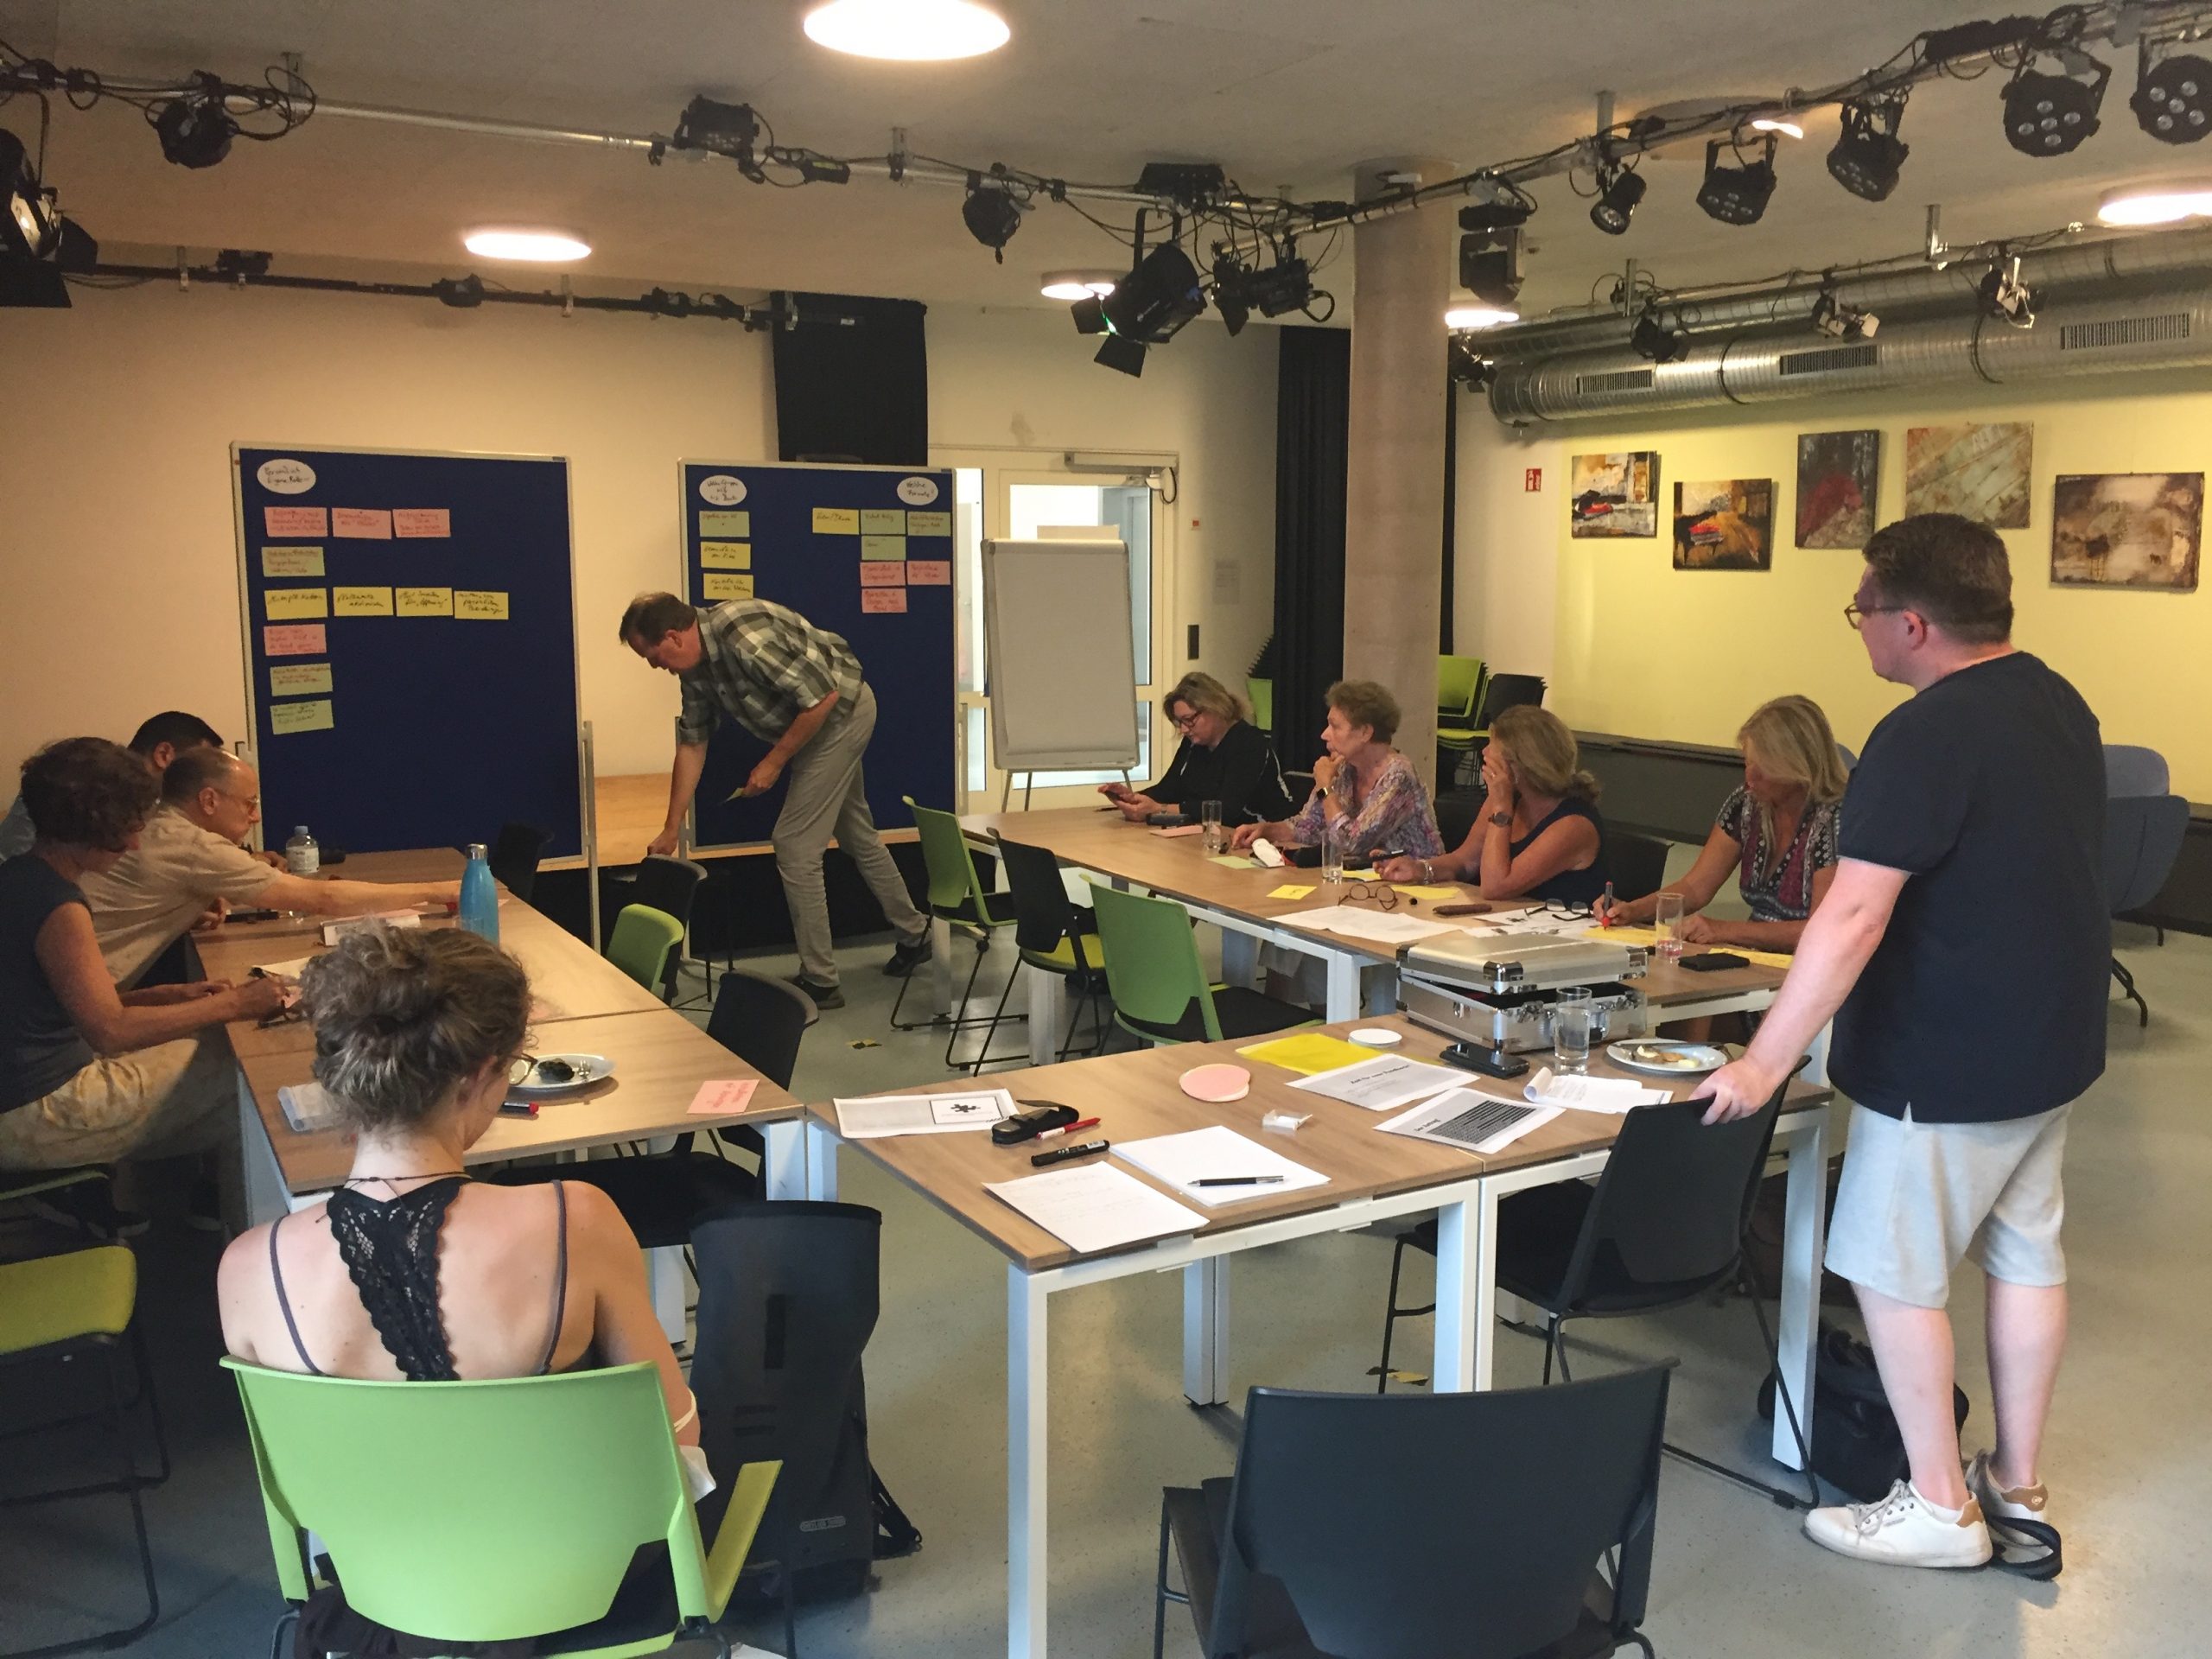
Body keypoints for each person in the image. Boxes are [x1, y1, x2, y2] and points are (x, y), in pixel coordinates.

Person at [1700, 513, 2104, 1571]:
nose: (1861, 628)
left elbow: (1850, 916)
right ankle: (2014, 1486)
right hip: (2049, 1046)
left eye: (1863, 609)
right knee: (2025, 1257)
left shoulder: (1923, 733)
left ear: (1911, 623)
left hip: (1946, 1057)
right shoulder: (2058, 701)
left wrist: (1762, 1061)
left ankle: (1937, 1506)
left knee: (1889, 1271)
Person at [216, 925, 707, 1651]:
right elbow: (674, 1443)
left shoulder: (247, 1268)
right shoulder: (576, 1220)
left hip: (383, 1606)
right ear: (479, 1076)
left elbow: (301, 1492)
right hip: (580, 1594)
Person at [0, 738, 287, 1200]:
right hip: (36, 1113)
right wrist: (237, 1003)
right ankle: (230, 1215)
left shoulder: (19, 877)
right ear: (92, 823)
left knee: (220, 1060)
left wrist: (162, 996)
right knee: (249, 1071)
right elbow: (111, 1031)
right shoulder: (60, 906)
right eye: (128, 828)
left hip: (19, 1098)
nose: (135, 842)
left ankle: (210, 1205)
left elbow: (53, 1009)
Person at [622, 592, 930, 1012]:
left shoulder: (742, 635)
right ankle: (916, 934)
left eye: (652, 656)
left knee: (795, 845)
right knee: (857, 835)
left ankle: (821, 981)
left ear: (674, 637)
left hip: (840, 716)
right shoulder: (694, 670)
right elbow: (693, 743)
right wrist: (671, 827)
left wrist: (773, 762)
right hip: (814, 724)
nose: (655, 666)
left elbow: (822, 698)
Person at [80, 747, 461, 989]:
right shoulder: (193, 845)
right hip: (79, 1016)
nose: (256, 816)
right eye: (249, 804)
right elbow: (323, 898)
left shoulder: (162, 825)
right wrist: (439, 890)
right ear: (209, 800)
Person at [1593, 694, 1847, 950]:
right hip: (1758, 957)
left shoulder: (1835, 820)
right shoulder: (1747, 804)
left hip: (1810, 961)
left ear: (1797, 769)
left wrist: (1723, 930)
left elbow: (1821, 929)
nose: (1749, 780)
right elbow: (1695, 887)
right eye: (1747, 764)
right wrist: (1632, 910)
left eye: (1763, 770)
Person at [1376, 705, 1604, 905]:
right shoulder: (1509, 799)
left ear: (1519, 763)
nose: (1484, 752)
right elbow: (1465, 861)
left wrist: (1502, 808)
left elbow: (1495, 887)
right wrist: (1421, 869)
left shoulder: (1574, 824)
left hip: (1562, 934)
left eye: (1492, 745)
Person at [1230, 679, 1443, 864]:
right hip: (1366, 880)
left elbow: (1352, 844)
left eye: (1335, 726)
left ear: (1365, 732)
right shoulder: (1344, 767)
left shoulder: (1398, 776)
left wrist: (1325, 787)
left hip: (1418, 886)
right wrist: (1267, 830)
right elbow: (1310, 828)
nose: (1324, 735)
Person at [0, 710, 246, 867]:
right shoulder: (82, 781)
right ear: (164, 754)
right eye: (195, 766)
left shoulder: (148, 803)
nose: (204, 779)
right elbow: (20, 865)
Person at [1099, 671, 1294, 827]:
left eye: (1189, 720)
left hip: (1265, 838)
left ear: (1215, 707)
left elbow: (1225, 810)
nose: (1184, 729)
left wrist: (1159, 809)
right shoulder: (1195, 743)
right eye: (1179, 722)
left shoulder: (1250, 743)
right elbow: (1169, 789)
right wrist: (1132, 798)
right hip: (1216, 835)